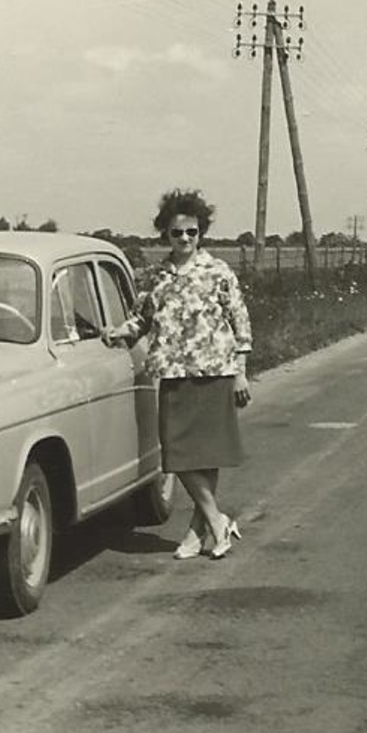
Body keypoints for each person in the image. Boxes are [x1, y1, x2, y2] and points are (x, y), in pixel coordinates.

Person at [103, 189, 252, 559]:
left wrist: (241, 372)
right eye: (177, 233)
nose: (185, 239)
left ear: (201, 233)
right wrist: (120, 332)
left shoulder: (218, 271)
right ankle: (218, 521)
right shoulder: (158, 276)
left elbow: (240, 321)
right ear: (165, 235)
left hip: (216, 370)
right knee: (177, 453)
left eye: (192, 232)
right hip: (172, 372)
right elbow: (142, 318)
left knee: (206, 454)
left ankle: (197, 532)